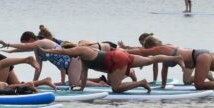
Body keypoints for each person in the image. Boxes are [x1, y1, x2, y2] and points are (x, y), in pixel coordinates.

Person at [121, 35, 214, 90]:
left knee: (198, 85)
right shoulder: (164, 52)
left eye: (148, 48)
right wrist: (163, 87)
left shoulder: (162, 48)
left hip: (199, 57)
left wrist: (122, 51)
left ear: (151, 46)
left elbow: (140, 52)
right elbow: (164, 70)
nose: (149, 51)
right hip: (201, 55)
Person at [40, 41, 179, 93]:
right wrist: (81, 88)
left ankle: (142, 83)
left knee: (115, 88)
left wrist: (47, 51)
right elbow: (84, 74)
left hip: (117, 60)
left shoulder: (81, 50)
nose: (71, 57)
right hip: (119, 56)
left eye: (71, 55)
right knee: (150, 60)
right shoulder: (84, 58)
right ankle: (176, 58)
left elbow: (63, 51)